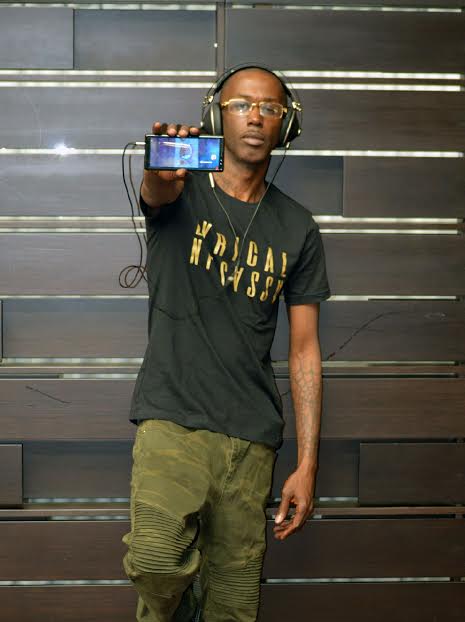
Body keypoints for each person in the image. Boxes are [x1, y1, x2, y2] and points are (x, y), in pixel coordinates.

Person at [122, 64, 331, 622]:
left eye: (270, 108)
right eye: (241, 104)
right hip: (173, 419)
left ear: (286, 124)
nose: (255, 117)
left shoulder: (298, 227)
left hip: (251, 439)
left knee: (235, 608)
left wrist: (307, 463)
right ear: (216, 115)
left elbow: (304, 349)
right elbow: (156, 190)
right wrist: (160, 173)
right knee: (156, 561)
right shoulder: (180, 191)